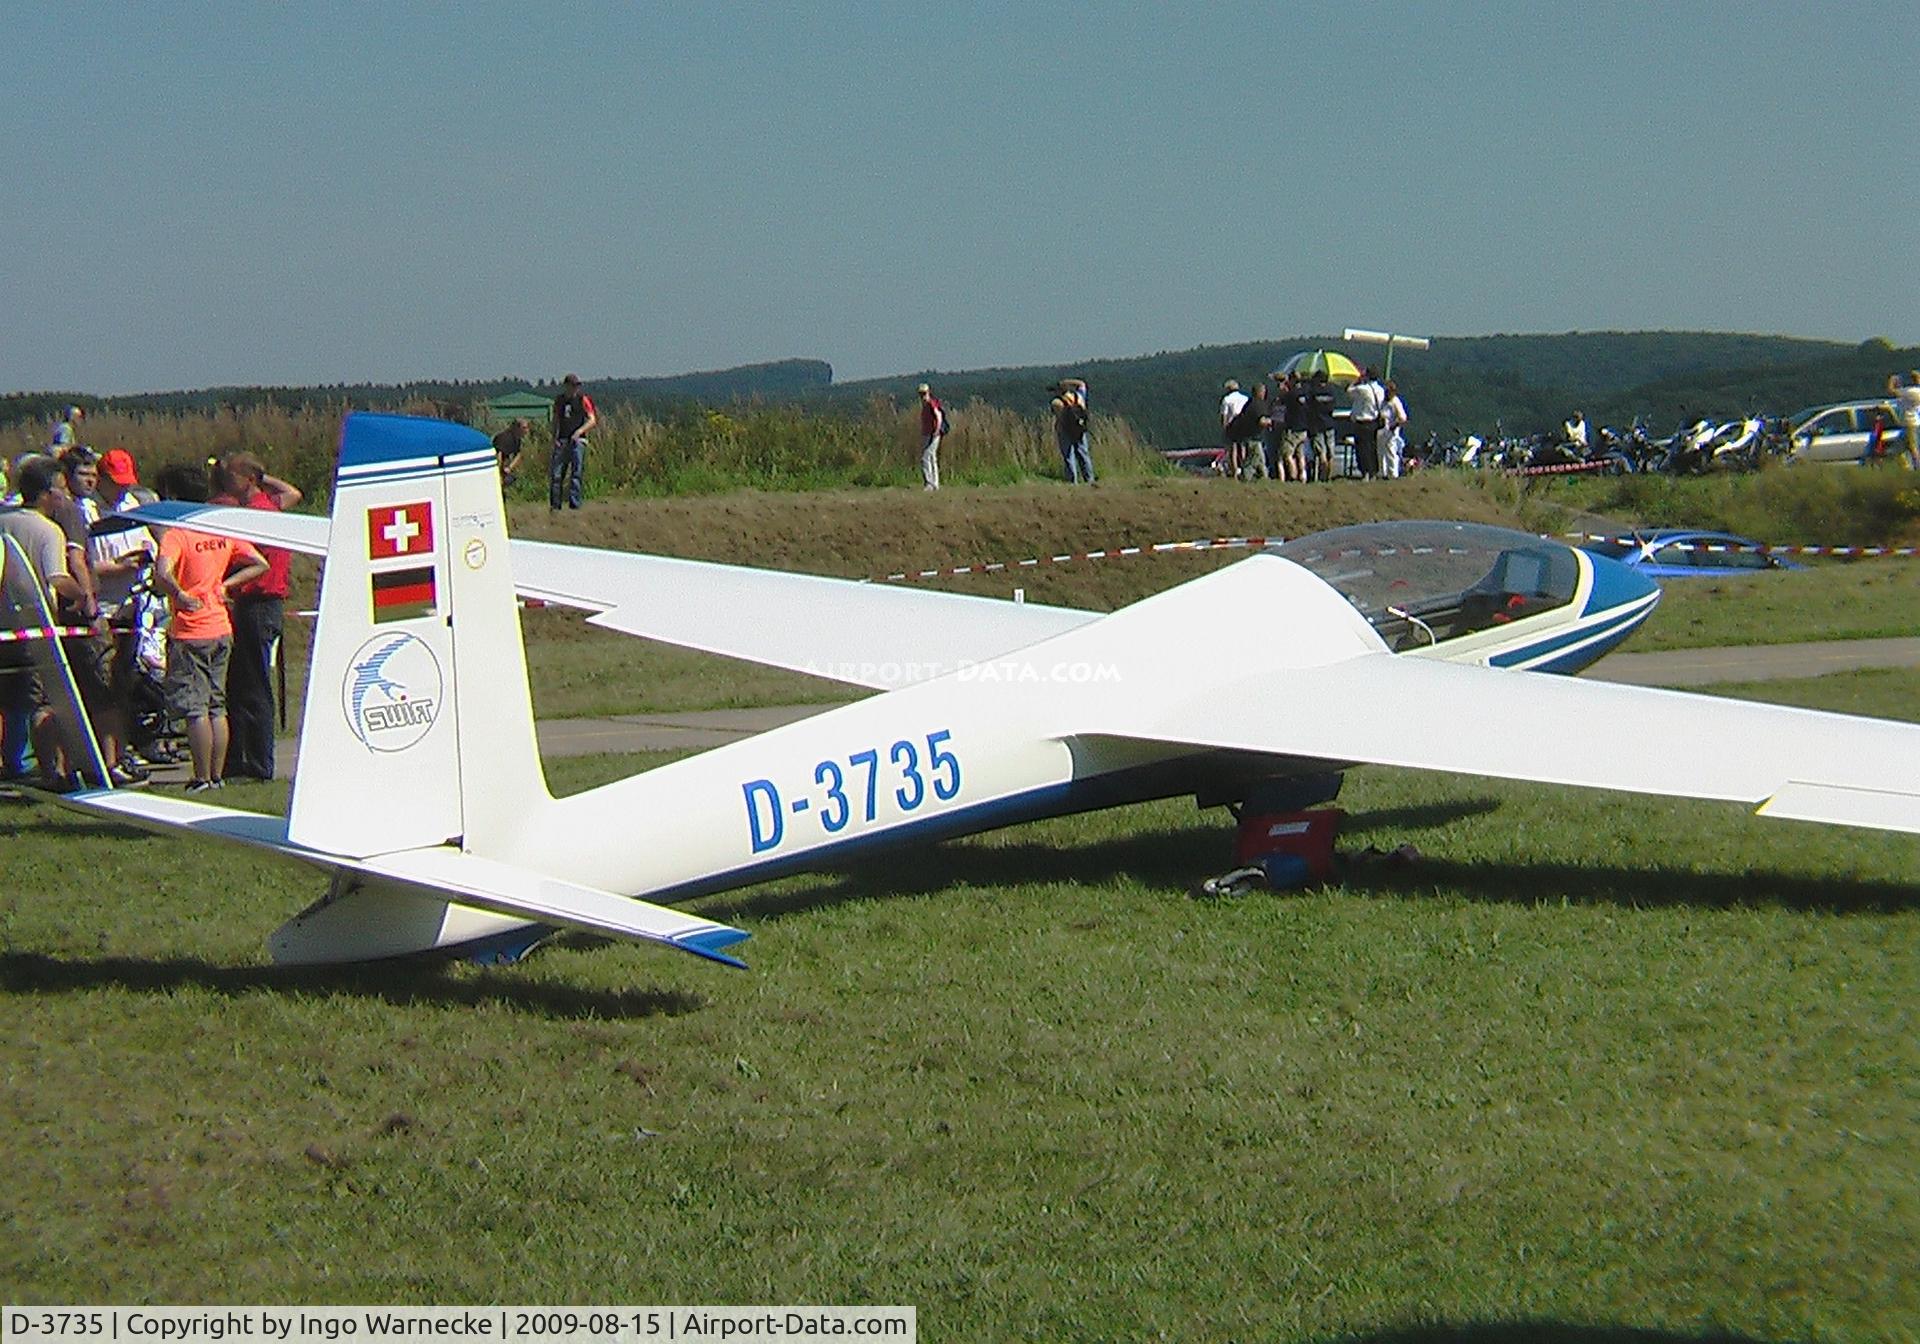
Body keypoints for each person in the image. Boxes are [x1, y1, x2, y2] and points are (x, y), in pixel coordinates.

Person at [150, 511, 267, 792]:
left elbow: (162, 572)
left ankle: (202, 775)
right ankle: (216, 775)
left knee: (195, 708)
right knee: (217, 705)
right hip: (220, 627)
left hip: (191, 630)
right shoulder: (220, 531)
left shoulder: (178, 535)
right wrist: (226, 584)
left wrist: (178, 593)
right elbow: (259, 563)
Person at [209, 452, 301, 781]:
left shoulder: (256, 514)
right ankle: (245, 757)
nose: (224, 481)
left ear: (247, 480)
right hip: (257, 605)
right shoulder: (269, 506)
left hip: (259, 603)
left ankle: (258, 762)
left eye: (231, 476)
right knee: (244, 682)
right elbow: (293, 493)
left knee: (253, 687)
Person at [0, 458, 86, 786]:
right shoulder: (49, 530)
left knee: (7, 702)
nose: (65, 497)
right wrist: (83, 597)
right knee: (39, 701)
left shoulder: (3, 521)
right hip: (35, 626)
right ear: (46, 494)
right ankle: (47, 770)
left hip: (3, 624)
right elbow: (57, 577)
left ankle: (10, 761)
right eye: (61, 490)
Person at [549, 374, 597, 510]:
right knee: (557, 474)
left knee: (576, 472)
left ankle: (574, 503)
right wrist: (554, 438)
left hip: (578, 440)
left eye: (576, 386)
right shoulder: (559, 401)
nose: (575, 389)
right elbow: (556, 421)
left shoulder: (583, 400)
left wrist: (579, 432)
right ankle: (555, 505)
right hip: (562, 439)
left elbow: (592, 420)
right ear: (566, 386)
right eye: (572, 386)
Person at [95, 448, 159, 514]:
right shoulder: (87, 505)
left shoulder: (134, 503)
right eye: (117, 483)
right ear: (100, 478)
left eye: (126, 483)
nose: (123, 488)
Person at [1054, 381, 1093, 484]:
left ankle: (1072, 480)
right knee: (1084, 454)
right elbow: (1082, 384)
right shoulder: (1079, 397)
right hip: (1079, 429)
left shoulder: (1057, 402)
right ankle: (1089, 479)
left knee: (1068, 455)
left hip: (1065, 431)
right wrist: (1068, 381)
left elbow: (1060, 417)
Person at [1348, 367, 1384, 478]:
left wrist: (1358, 379)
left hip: (1362, 422)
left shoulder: (1362, 389)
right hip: (1373, 422)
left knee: (1362, 448)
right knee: (1372, 447)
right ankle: (1373, 471)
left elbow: (1349, 391)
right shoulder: (1381, 390)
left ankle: (1365, 471)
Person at [1305, 370, 1338, 481]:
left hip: (1317, 425)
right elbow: (1332, 408)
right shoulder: (1331, 391)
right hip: (1329, 423)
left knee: (1321, 453)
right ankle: (1329, 476)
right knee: (1331, 454)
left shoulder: (1313, 392)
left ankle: (1322, 476)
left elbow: (1308, 407)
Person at [1276, 373, 1308, 482]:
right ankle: (1303, 475)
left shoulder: (1291, 394)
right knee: (1300, 454)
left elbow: (1281, 401)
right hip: (1303, 428)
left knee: (1287, 454)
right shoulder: (1305, 392)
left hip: (1293, 428)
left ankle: (1293, 476)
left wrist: (1283, 389)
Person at [1219, 380, 1251, 479]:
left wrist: (1224, 428)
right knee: (1243, 448)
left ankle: (1234, 472)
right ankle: (1244, 468)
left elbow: (1224, 416)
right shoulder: (1245, 398)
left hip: (1232, 425)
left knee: (1233, 450)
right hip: (1243, 425)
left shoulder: (1227, 399)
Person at [1889, 372, 1920, 470]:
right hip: (1913, 422)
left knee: (1913, 447)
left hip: (1909, 422)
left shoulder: (1909, 391)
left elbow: (1891, 391)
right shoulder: (1917, 391)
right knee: (1902, 448)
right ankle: (1906, 468)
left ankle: (1917, 467)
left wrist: (1892, 380)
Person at [917, 384, 945, 491]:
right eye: (920, 394)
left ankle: (929, 483)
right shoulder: (925, 405)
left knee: (926, 457)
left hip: (933, 434)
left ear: (928, 392)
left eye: (924, 393)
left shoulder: (931, 403)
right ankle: (935, 483)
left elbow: (939, 416)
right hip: (927, 433)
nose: (922, 396)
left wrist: (937, 430)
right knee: (932, 457)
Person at [1381, 381, 1409, 479]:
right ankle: (1383, 473)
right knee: (1381, 452)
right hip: (1381, 429)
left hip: (1391, 430)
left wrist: (1395, 425)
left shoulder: (1395, 401)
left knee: (1391, 451)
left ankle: (1393, 474)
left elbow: (1403, 417)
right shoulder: (1383, 401)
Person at [492, 419, 529, 486]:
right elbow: (499, 455)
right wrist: (499, 475)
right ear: (517, 428)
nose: (526, 431)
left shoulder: (517, 439)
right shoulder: (505, 438)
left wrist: (509, 467)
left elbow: (519, 455)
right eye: (524, 428)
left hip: (504, 468)